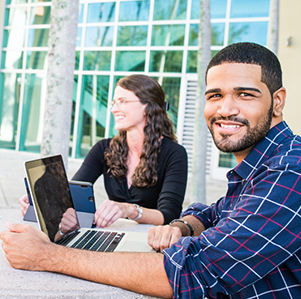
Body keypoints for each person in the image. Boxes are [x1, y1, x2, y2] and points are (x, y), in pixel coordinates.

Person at [2, 42, 301, 298]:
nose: (226, 109)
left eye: (245, 95)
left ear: (277, 101)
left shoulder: (291, 168)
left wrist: (46, 255)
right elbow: (216, 212)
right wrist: (184, 226)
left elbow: (192, 274)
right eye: (215, 96)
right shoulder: (260, 166)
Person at [19, 74, 188, 231]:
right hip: (115, 233)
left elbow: (169, 215)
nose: (114, 109)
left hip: (149, 238)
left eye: (122, 101)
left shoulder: (174, 153)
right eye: (114, 102)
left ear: (148, 106)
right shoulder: (103, 148)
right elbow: (73, 192)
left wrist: (129, 210)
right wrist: (39, 199)